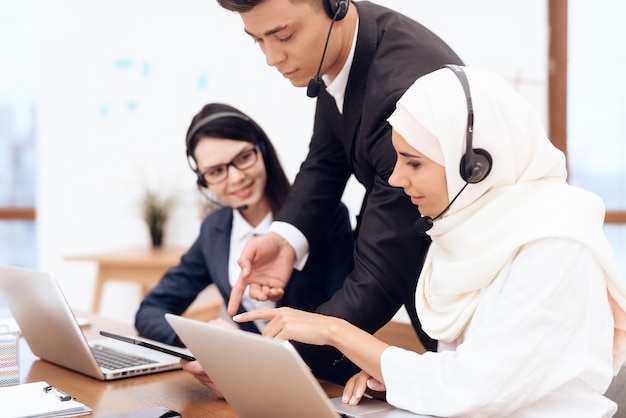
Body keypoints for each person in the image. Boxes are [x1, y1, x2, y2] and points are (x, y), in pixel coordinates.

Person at [232, 66, 626, 417]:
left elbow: (477, 388)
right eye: (398, 159)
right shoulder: (466, 227)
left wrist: (336, 331)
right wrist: (395, 379)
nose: (398, 179)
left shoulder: (555, 245)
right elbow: (472, 373)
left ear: (475, 166)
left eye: (414, 162)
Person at [216, 0, 464, 379]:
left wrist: (266, 363)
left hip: (468, 295)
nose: (271, 57)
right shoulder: (340, 51)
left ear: (335, 5)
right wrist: (284, 237)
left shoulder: (400, 89)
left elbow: (381, 273)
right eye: (257, 41)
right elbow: (327, 158)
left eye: (283, 35)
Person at [134, 102, 355, 394]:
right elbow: (151, 309)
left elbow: (343, 319)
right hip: (247, 389)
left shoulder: (325, 217)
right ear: (204, 181)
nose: (235, 177)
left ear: (261, 149)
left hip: (324, 384)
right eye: (216, 172)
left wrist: (249, 353)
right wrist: (200, 343)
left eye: (243, 157)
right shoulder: (215, 229)